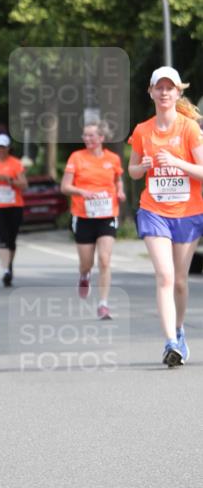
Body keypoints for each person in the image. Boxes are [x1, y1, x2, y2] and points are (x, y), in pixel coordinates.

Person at [127, 66, 203, 366]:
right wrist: (143, 167)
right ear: (151, 92)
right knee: (165, 276)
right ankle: (170, 341)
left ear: (178, 93)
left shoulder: (189, 128)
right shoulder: (143, 130)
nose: (164, 93)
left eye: (170, 88)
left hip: (187, 212)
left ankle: (180, 330)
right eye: (159, 88)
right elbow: (132, 171)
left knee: (181, 282)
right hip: (154, 210)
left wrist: (176, 162)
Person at [61, 122, 125, 319]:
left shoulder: (112, 159)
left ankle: (103, 304)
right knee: (86, 263)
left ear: (101, 138)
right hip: (83, 215)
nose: (87, 139)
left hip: (107, 214)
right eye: (85, 136)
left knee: (105, 260)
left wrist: (120, 191)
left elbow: (117, 180)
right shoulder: (76, 157)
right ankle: (84, 276)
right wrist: (82, 192)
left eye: (91, 136)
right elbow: (65, 187)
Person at [0, 133, 28, 287]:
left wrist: (9, 180)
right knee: (2, 238)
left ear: (8, 148)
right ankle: (5, 270)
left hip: (15, 205)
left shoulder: (16, 164)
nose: (1, 150)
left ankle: (9, 267)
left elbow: (24, 185)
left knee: (11, 240)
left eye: (3, 147)